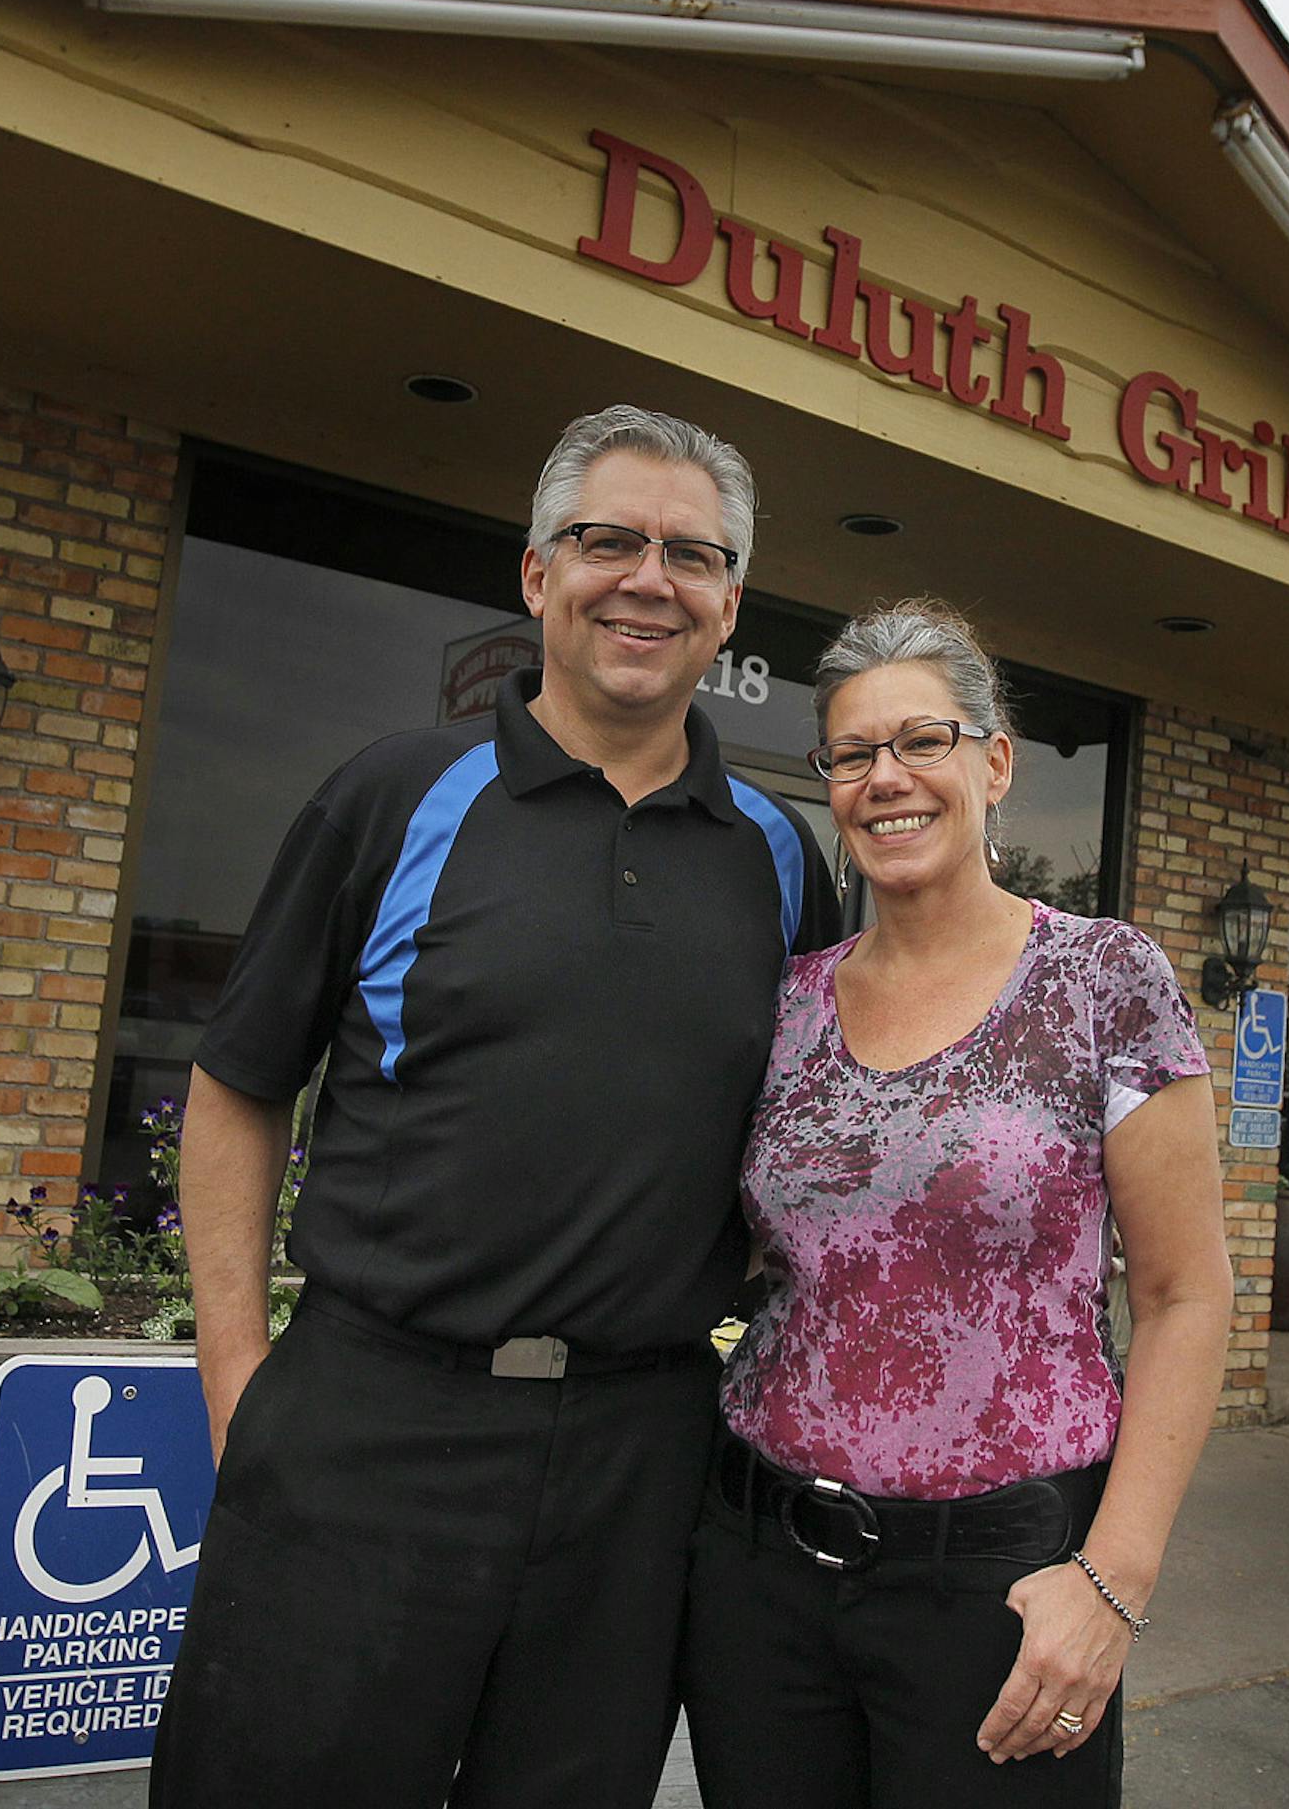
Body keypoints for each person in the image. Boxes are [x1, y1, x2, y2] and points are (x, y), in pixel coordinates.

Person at [150, 405, 838, 1808]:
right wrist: (240, 1378)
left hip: (640, 1467)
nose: (647, 578)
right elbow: (235, 1089)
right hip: (370, 1427)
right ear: (537, 576)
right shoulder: (397, 796)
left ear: (728, 610)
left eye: (689, 555)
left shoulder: (781, 860)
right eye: (607, 540)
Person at [681, 598, 1234, 1807]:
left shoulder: (1101, 979)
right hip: (756, 1574)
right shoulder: (785, 1001)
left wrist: (1113, 1583)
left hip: (1000, 1589)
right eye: (854, 753)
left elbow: (1189, 1295)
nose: (888, 779)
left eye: (921, 741)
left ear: (992, 763)